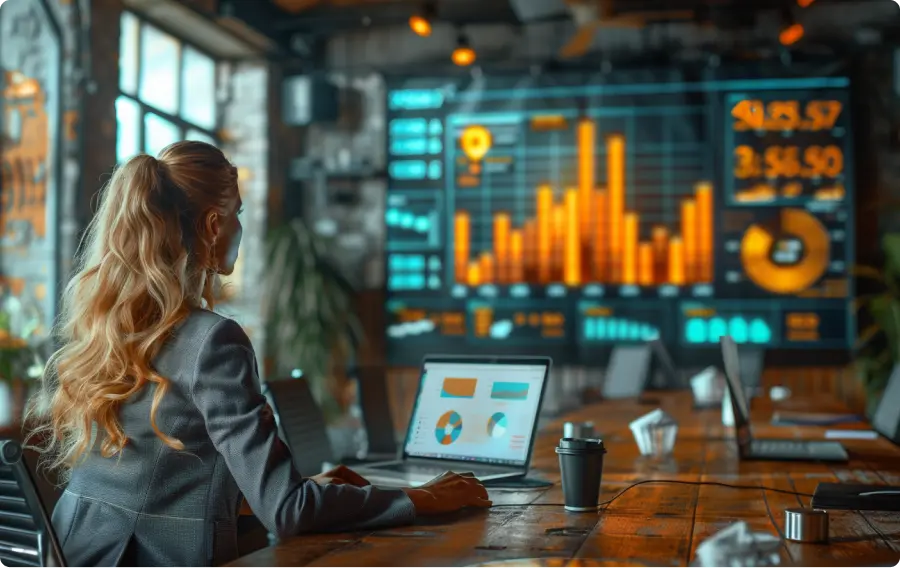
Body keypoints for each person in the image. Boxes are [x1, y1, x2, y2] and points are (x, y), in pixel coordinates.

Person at [25, 141, 491, 567]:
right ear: (213, 224)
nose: (240, 227)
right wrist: (422, 498)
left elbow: (161, 483)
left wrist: (296, 493)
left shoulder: (112, 327)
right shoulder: (212, 340)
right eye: (238, 213)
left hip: (74, 552)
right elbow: (287, 512)